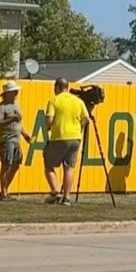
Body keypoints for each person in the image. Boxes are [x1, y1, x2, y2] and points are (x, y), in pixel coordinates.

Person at [42, 77, 92, 205]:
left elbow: (49, 120)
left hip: (59, 136)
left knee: (48, 164)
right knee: (69, 167)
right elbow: (86, 118)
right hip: (75, 137)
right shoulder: (78, 101)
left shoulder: (54, 100)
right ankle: (67, 197)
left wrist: (48, 128)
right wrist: (78, 127)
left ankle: (55, 191)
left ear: (58, 87)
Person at [0, 82, 27, 200]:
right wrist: (11, 119)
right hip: (7, 139)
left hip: (16, 139)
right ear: (7, 94)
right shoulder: (2, 107)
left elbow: (19, 123)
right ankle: (3, 191)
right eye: (14, 91)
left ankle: (5, 188)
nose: (16, 93)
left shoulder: (16, 105)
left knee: (16, 164)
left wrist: (25, 135)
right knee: (6, 164)